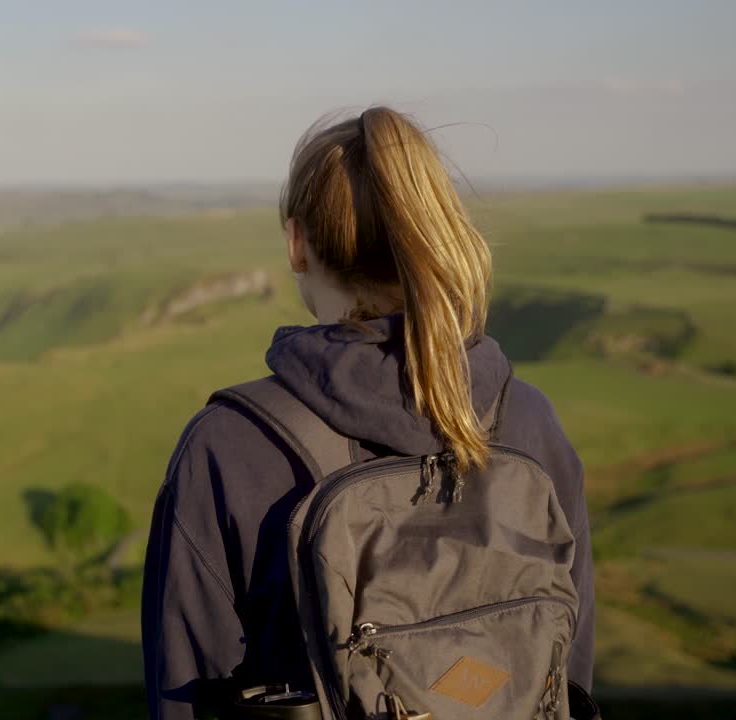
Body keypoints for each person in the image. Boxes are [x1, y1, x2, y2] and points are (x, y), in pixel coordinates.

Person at [141, 107, 594, 719]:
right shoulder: (529, 421)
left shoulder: (230, 445)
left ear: (296, 243)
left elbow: (188, 695)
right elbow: (569, 671)